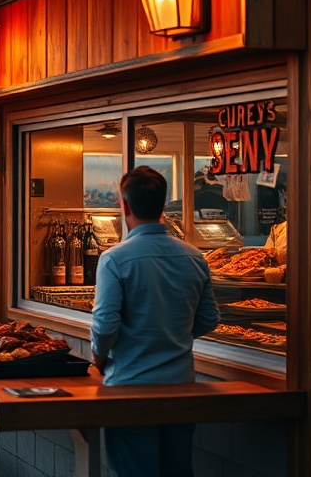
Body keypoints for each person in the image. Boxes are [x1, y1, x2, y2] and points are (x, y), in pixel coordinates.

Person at [91, 166, 220, 477]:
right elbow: (210, 318)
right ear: (163, 205)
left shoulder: (114, 259)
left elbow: (105, 323)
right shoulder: (194, 257)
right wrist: (173, 336)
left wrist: (97, 360)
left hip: (130, 389)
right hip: (181, 388)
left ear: (125, 206)